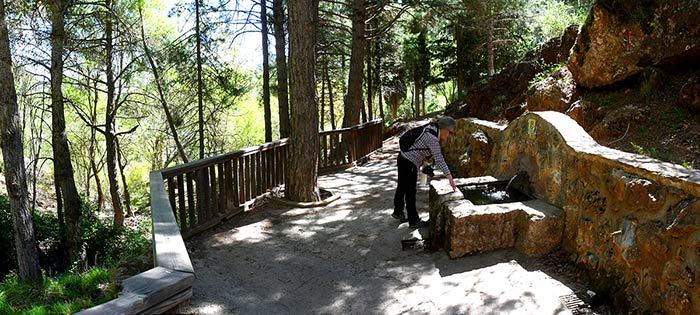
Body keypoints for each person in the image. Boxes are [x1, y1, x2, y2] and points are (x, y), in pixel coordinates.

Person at [393, 116, 458, 228]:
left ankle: (398, 211)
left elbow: (421, 147)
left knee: (402, 186)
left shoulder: (432, 128)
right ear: (444, 129)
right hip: (409, 162)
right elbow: (439, 159)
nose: (450, 136)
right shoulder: (432, 138)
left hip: (403, 157)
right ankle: (413, 221)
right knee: (410, 191)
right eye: (450, 133)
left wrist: (425, 162)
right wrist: (450, 178)